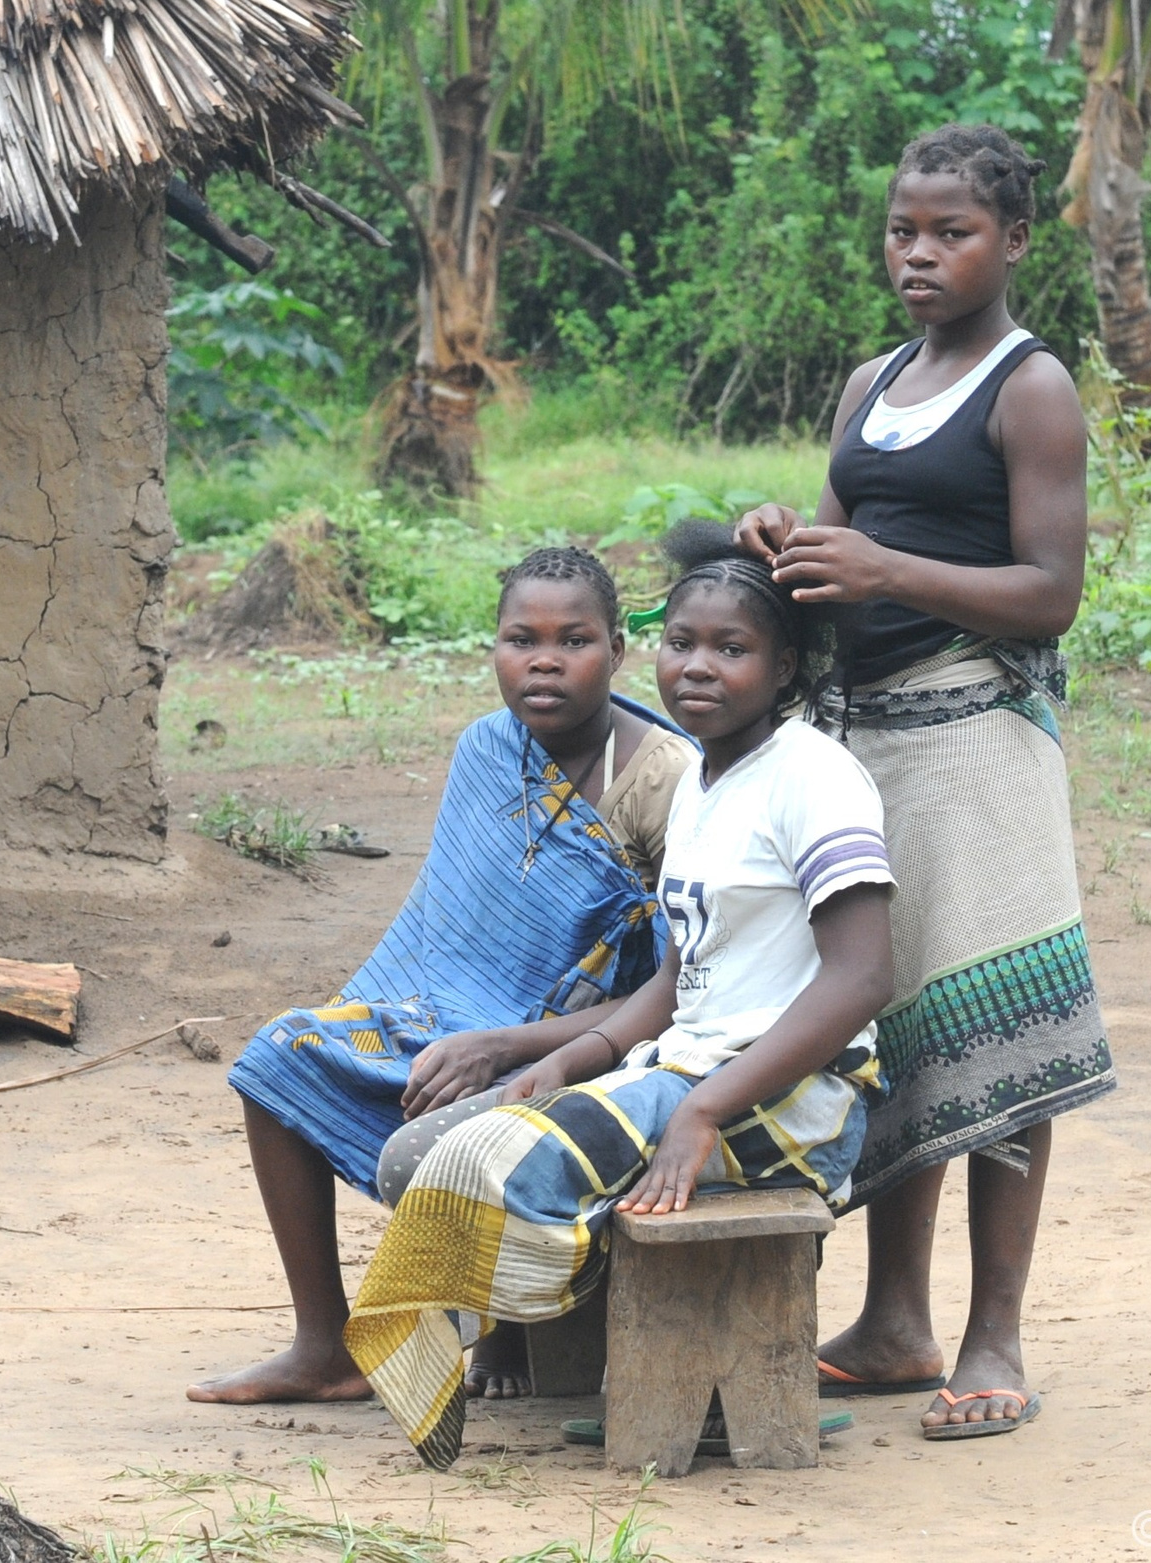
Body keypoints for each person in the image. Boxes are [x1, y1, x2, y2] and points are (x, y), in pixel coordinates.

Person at [346, 521, 895, 1469]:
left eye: (733, 649)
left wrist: (706, 1110)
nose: (699, 668)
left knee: (490, 1170)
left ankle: (653, 1369)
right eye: (683, 642)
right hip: (679, 1069)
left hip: (790, 1101)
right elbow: (681, 979)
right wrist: (564, 1060)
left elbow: (861, 976)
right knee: (417, 1157)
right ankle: (597, 1348)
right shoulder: (704, 782)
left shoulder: (814, 776)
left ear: (788, 665)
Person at [734, 121, 1116, 1442]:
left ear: (1013, 241)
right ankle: (894, 1318)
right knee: (887, 1024)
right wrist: (789, 537)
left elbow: (1051, 593)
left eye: (951, 232)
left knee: (997, 1032)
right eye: (905, 229)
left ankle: (992, 1331)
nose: (920, 253)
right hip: (865, 738)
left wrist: (885, 572)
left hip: (979, 746)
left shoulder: (1031, 387)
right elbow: (852, 522)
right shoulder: (870, 381)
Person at [187, 547, 693, 1405]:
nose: (543, 659)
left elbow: (677, 986)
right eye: (519, 638)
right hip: (452, 1017)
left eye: (573, 639)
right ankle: (327, 1344)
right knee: (279, 1056)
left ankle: (498, 1320)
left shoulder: (667, 779)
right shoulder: (487, 750)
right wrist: (452, 1031)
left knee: (473, 1117)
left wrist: (500, 1043)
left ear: (617, 647)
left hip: (596, 1046)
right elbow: (447, 930)